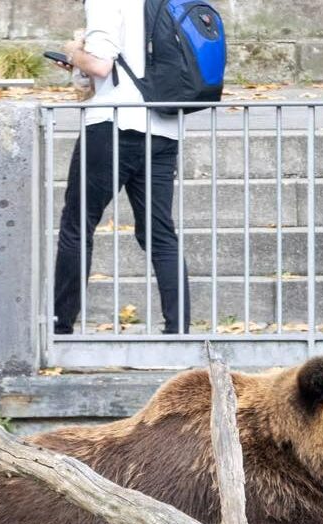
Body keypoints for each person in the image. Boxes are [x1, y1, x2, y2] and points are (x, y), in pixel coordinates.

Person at [49, 0, 192, 336]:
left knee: (77, 225)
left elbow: (100, 65)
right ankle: (179, 330)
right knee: (159, 233)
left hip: (113, 125)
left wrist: (72, 52)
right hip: (162, 126)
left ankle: (61, 326)